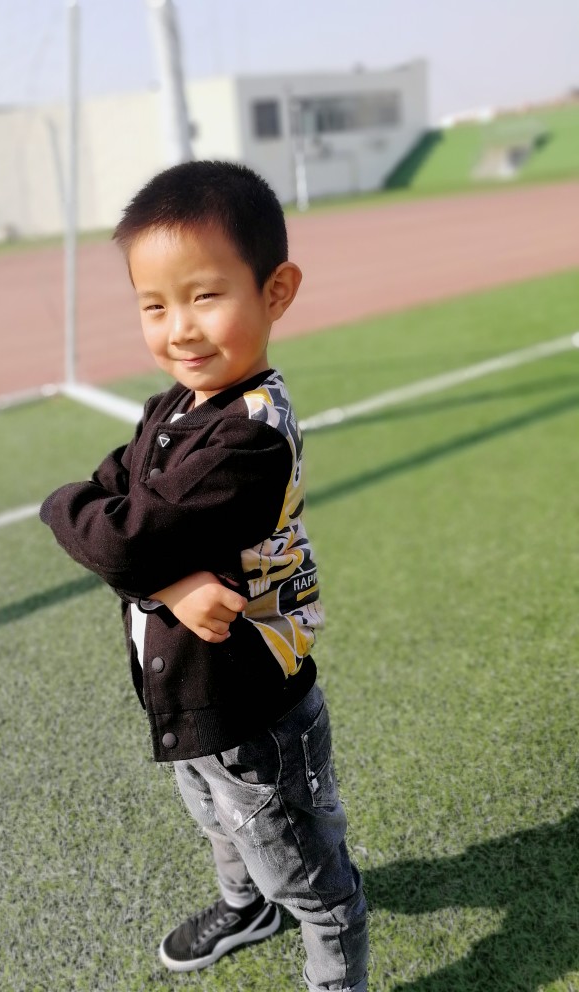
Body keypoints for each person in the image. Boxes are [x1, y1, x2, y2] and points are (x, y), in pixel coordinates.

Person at [40, 160, 369, 991]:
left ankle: (335, 968)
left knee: (305, 869)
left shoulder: (248, 439)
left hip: (252, 705)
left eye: (205, 295)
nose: (179, 329)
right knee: (218, 820)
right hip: (189, 691)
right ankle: (245, 905)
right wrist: (165, 582)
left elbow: (118, 535)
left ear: (276, 291)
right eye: (154, 305)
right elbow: (115, 510)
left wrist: (65, 509)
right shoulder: (174, 406)